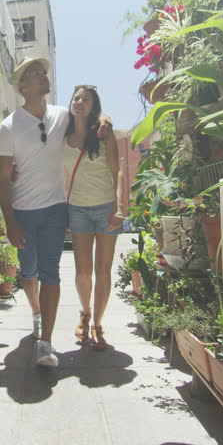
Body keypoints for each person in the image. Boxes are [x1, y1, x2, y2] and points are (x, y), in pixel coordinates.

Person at [0, 57, 110, 367]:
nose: (43, 75)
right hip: (23, 213)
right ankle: (35, 312)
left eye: (43, 71)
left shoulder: (61, 115)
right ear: (23, 86)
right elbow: (3, 178)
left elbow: (88, 121)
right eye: (35, 74)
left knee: (51, 273)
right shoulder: (8, 128)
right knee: (27, 271)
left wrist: (103, 119)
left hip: (56, 209)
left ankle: (45, 344)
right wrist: (10, 223)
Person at [63, 85, 125, 351]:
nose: (79, 101)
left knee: (103, 271)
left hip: (105, 208)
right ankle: (84, 313)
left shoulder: (103, 134)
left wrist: (120, 206)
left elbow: (118, 172)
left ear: (93, 106)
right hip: (77, 208)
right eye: (76, 98)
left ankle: (98, 323)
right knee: (82, 272)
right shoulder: (61, 133)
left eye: (85, 99)